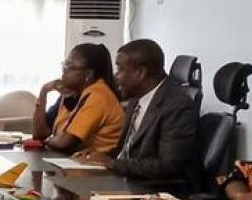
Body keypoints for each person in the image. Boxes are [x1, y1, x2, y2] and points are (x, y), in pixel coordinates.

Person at [73, 39, 200, 184]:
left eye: (120, 69)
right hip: (125, 180)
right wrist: (98, 155)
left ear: (140, 72)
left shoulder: (177, 105)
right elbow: (127, 151)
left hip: (155, 190)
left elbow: (168, 165)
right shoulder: (136, 99)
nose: (116, 76)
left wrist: (111, 163)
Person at [31, 43, 125, 154]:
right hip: (77, 161)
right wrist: (44, 92)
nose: (64, 71)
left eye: (70, 67)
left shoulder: (98, 95)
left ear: (88, 74)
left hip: (99, 166)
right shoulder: (71, 94)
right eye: (64, 65)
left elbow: (63, 143)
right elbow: (39, 134)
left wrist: (48, 140)